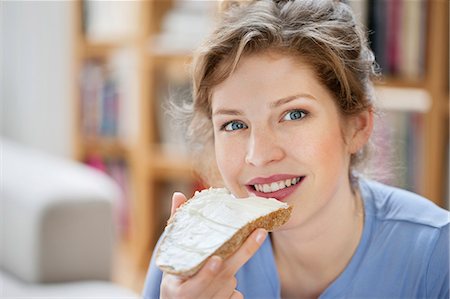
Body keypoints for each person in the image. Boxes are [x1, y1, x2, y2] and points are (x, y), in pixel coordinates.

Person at [142, 0, 449, 298]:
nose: (259, 155)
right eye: (234, 124)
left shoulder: (437, 257)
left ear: (357, 126)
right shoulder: (188, 262)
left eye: (294, 114)